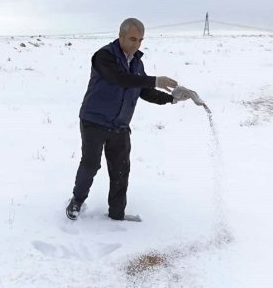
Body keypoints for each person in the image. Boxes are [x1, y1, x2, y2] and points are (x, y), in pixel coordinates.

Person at [66, 17, 192, 221]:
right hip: (94, 121)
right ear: (121, 36)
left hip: (120, 125)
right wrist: (155, 80)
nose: (137, 44)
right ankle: (77, 200)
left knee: (121, 170)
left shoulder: (137, 63)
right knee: (90, 165)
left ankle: (117, 214)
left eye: (141, 40)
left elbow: (143, 90)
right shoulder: (103, 57)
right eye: (133, 39)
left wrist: (172, 99)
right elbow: (120, 79)